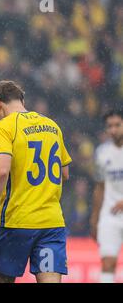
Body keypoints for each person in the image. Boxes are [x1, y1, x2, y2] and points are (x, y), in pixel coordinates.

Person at [0, 80, 72, 283]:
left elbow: (2, 171)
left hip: (16, 220)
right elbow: (65, 173)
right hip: (52, 222)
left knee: (1, 280)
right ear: (21, 100)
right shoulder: (52, 126)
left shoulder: (3, 126)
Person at [90, 109, 123, 283]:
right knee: (108, 263)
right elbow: (100, 186)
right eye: (109, 126)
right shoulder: (102, 152)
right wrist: (95, 218)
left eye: (117, 125)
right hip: (110, 215)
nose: (113, 130)